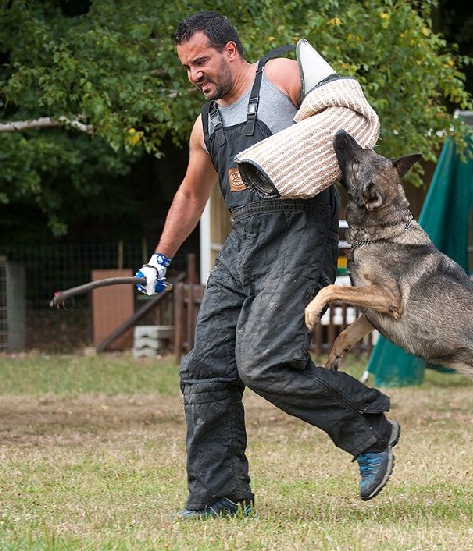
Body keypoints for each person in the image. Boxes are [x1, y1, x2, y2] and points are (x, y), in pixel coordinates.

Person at [136, 11, 400, 519]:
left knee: (263, 362)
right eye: (187, 66)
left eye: (201, 61)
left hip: (300, 234)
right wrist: (159, 258)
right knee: (206, 370)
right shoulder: (206, 126)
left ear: (230, 50)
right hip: (245, 242)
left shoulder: (280, 78)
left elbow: (343, 118)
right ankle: (219, 496)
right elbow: (191, 195)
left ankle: (370, 431)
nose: (194, 74)